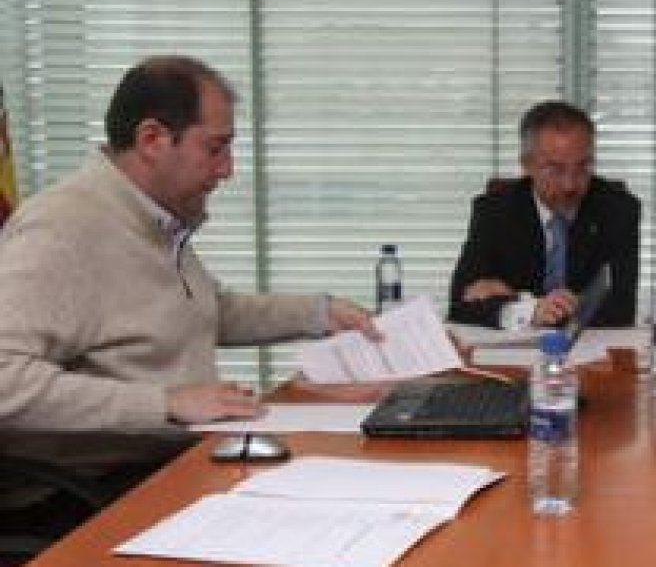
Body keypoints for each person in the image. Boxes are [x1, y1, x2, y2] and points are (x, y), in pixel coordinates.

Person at [0, 56, 379, 519]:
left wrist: (319, 313)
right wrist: (166, 404)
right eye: (215, 148)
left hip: (164, 462)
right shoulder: (64, 228)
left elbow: (194, 310)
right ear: (152, 140)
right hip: (87, 493)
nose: (227, 169)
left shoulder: (153, 217)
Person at [449, 100, 640, 329]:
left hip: (588, 355)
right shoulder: (495, 211)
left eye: (582, 167)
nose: (570, 185)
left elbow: (620, 310)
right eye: (555, 169)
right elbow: (460, 305)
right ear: (526, 165)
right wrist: (533, 309)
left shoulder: (617, 210)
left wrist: (520, 301)